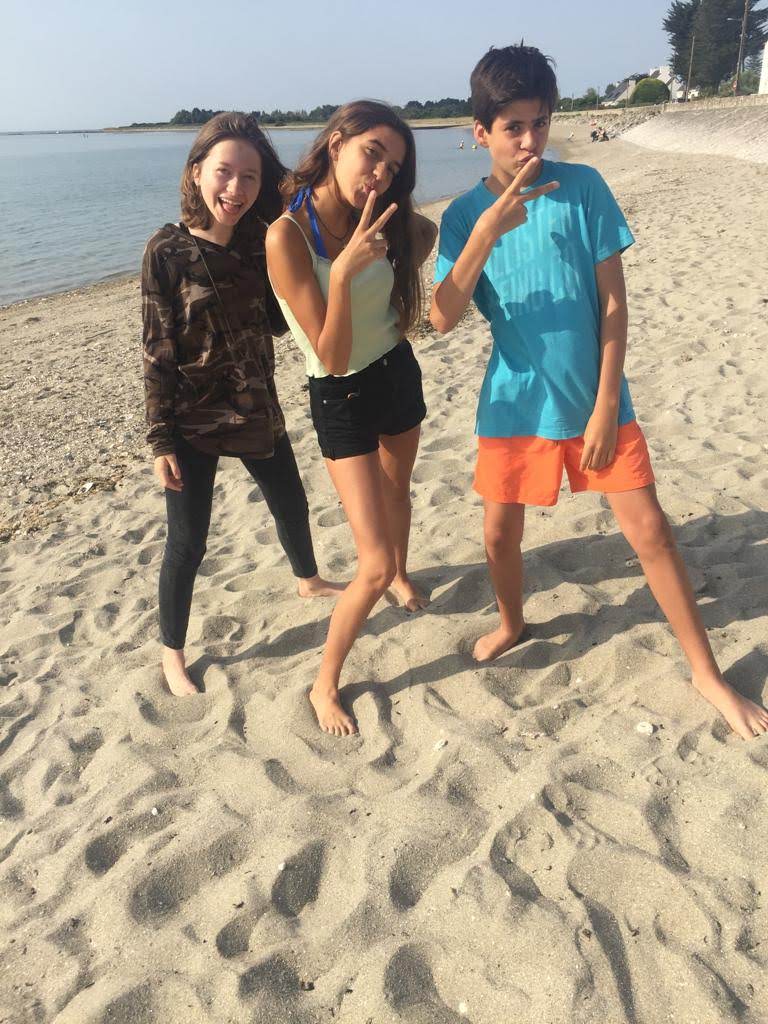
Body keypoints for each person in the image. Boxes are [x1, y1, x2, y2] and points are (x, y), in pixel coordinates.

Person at [430, 45, 768, 740]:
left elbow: (613, 304)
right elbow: (441, 317)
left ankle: (705, 672)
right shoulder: (463, 215)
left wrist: (608, 403)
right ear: (481, 131)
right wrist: (486, 231)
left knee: (652, 533)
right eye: (513, 127)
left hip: (595, 396)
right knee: (499, 534)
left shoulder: (583, 187)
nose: (530, 140)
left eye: (540, 123)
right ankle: (513, 621)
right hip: (514, 402)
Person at [142, 112, 340, 698]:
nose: (235, 188)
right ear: (196, 172)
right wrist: (159, 438)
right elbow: (156, 348)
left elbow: (278, 322)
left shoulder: (260, 242)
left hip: (256, 404)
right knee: (188, 541)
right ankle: (172, 653)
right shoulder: (166, 250)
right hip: (193, 419)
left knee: (291, 501)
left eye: (249, 176)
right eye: (224, 172)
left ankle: (308, 579)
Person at [266, 100, 437, 736]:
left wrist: (396, 267)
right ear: (337, 142)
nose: (380, 174)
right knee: (370, 563)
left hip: (395, 370)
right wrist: (341, 277)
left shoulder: (386, 216)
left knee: (399, 492)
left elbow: (426, 234)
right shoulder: (287, 235)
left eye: (393, 167)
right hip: (339, 396)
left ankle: (404, 575)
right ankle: (324, 684)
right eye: (372, 154)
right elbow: (331, 357)